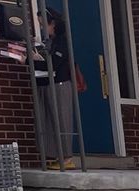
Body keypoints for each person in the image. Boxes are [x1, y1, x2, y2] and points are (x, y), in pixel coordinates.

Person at [33, 8, 83, 168]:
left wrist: (29, 60)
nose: (42, 28)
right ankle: (57, 156)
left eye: (44, 24)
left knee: (61, 119)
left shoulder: (61, 41)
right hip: (48, 83)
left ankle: (67, 158)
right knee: (49, 120)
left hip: (60, 84)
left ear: (53, 23)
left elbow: (54, 63)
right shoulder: (51, 41)